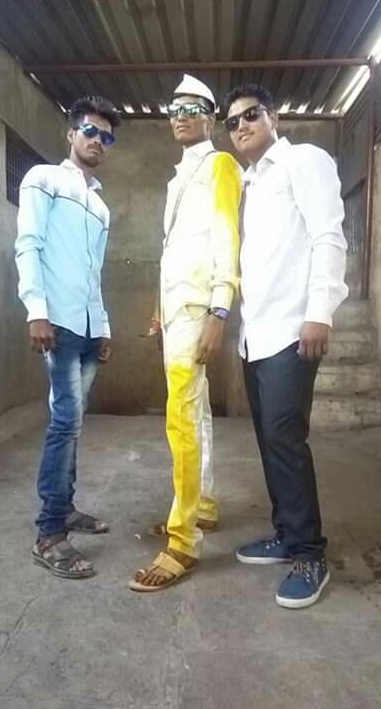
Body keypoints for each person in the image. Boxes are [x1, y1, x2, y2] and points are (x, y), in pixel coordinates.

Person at [223, 83, 348, 608]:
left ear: (272, 116)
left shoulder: (304, 161)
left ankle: (310, 554)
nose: (242, 126)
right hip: (257, 334)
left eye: (251, 114)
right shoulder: (251, 182)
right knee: (270, 441)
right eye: (232, 121)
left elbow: (328, 236)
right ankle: (286, 534)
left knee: (285, 441)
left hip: (293, 330)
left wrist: (320, 312)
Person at [129, 75, 242, 592]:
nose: (180, 116)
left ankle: (183, 541)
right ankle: (203, 508)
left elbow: (226, 239)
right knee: (196, 415)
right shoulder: (180, 177)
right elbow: (175, 250)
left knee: (182, 421)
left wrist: (220, 312)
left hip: (199, 308)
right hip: (177, 310)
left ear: (211, 118)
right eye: (174, 109)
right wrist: (160, 309)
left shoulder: (220, 165)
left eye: (192, 109)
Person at [15, 95, 120, 579]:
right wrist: (37, 312)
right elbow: (28, 245)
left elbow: (94, 271)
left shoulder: (100, 206)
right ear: (72, 134)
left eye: (107, 137)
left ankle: (66, 507)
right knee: (64, 423)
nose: (98, 141)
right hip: (55, 323)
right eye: (90, 131)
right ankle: (49, 533)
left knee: (73, 423)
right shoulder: (44, 179)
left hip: (88, 328)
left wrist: (104, 326)